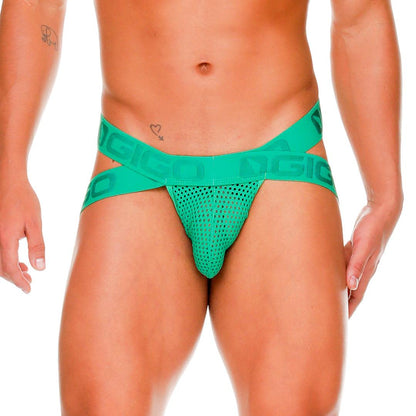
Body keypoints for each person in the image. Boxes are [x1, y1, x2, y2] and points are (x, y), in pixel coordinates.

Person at [0, 0, 404, 414]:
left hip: (281, 156)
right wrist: (10, 170)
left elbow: (360, 15)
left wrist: (385, 196)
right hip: (137, 160)